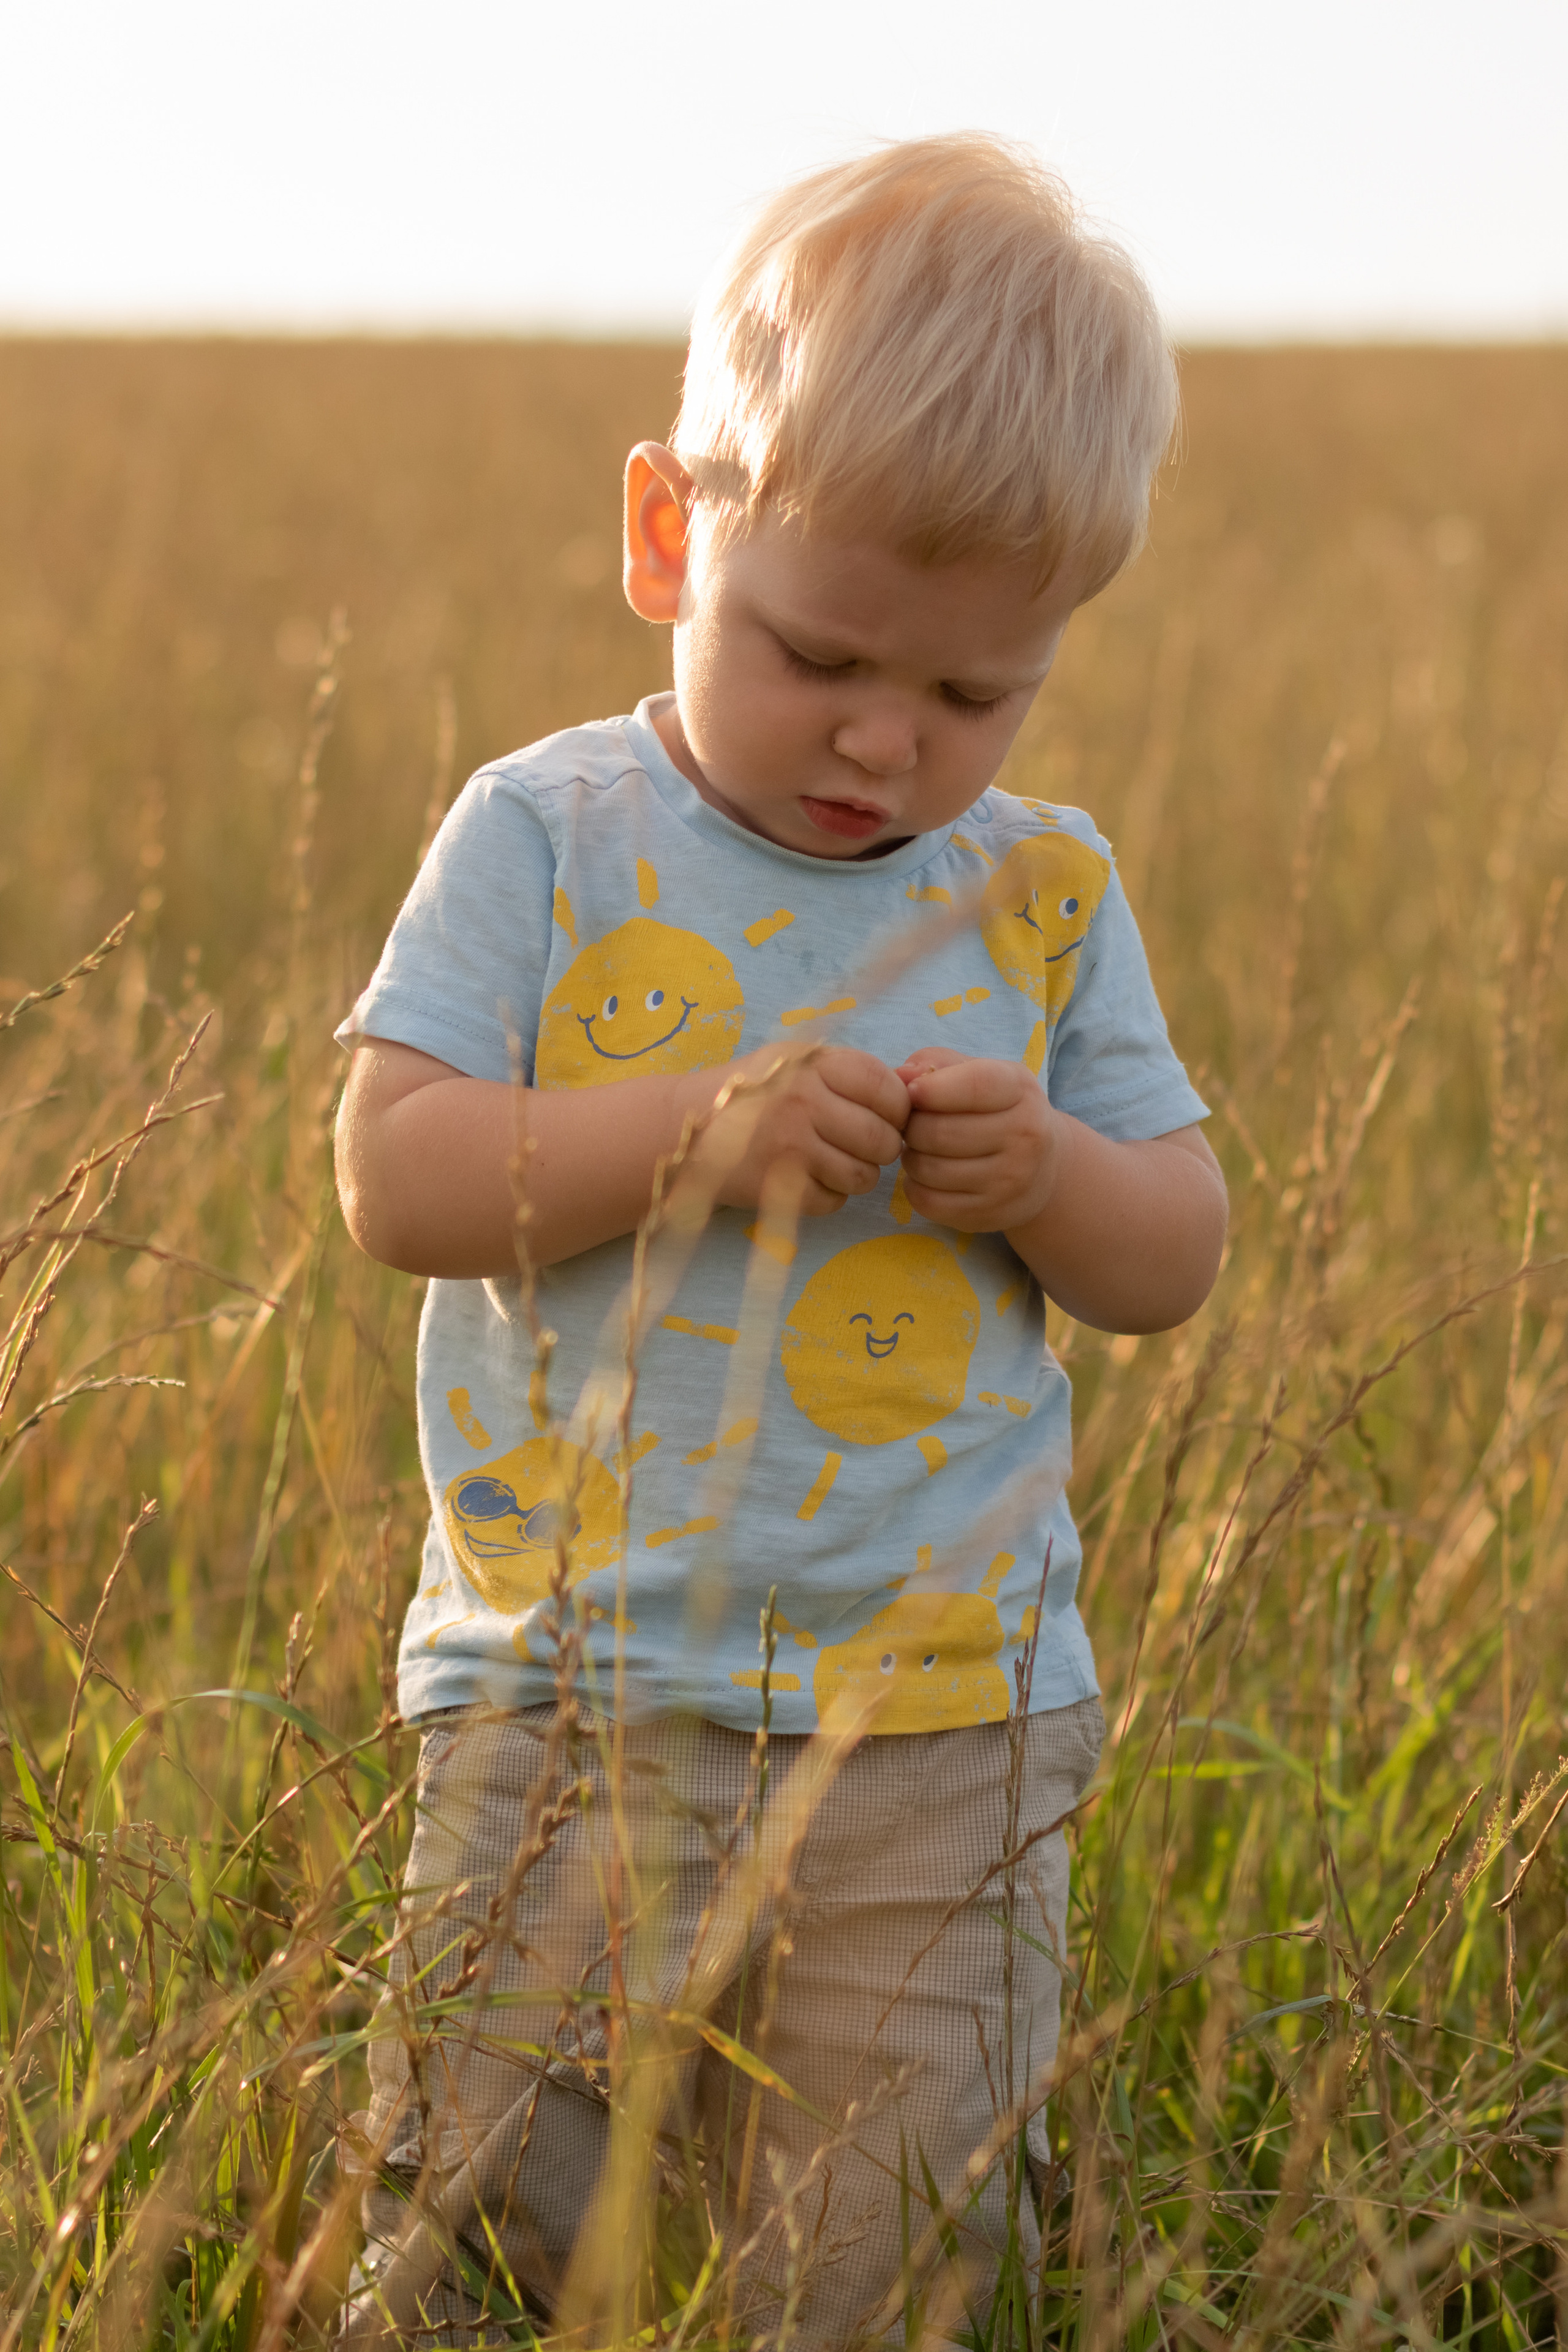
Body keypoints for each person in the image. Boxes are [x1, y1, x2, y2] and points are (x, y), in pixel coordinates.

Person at [333, 131, 1227, 2346]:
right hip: (566, 1689)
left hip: (941, 1721)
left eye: (974, 695)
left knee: (886, 2241)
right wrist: (687, 1133)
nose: (881, 738)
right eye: (818, 651)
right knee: (481, 2219)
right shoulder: (550, 833)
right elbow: (397, 1174)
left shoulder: (1043, 896)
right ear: (671, 533)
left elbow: (1172, 1254)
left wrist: (1050, 1177)